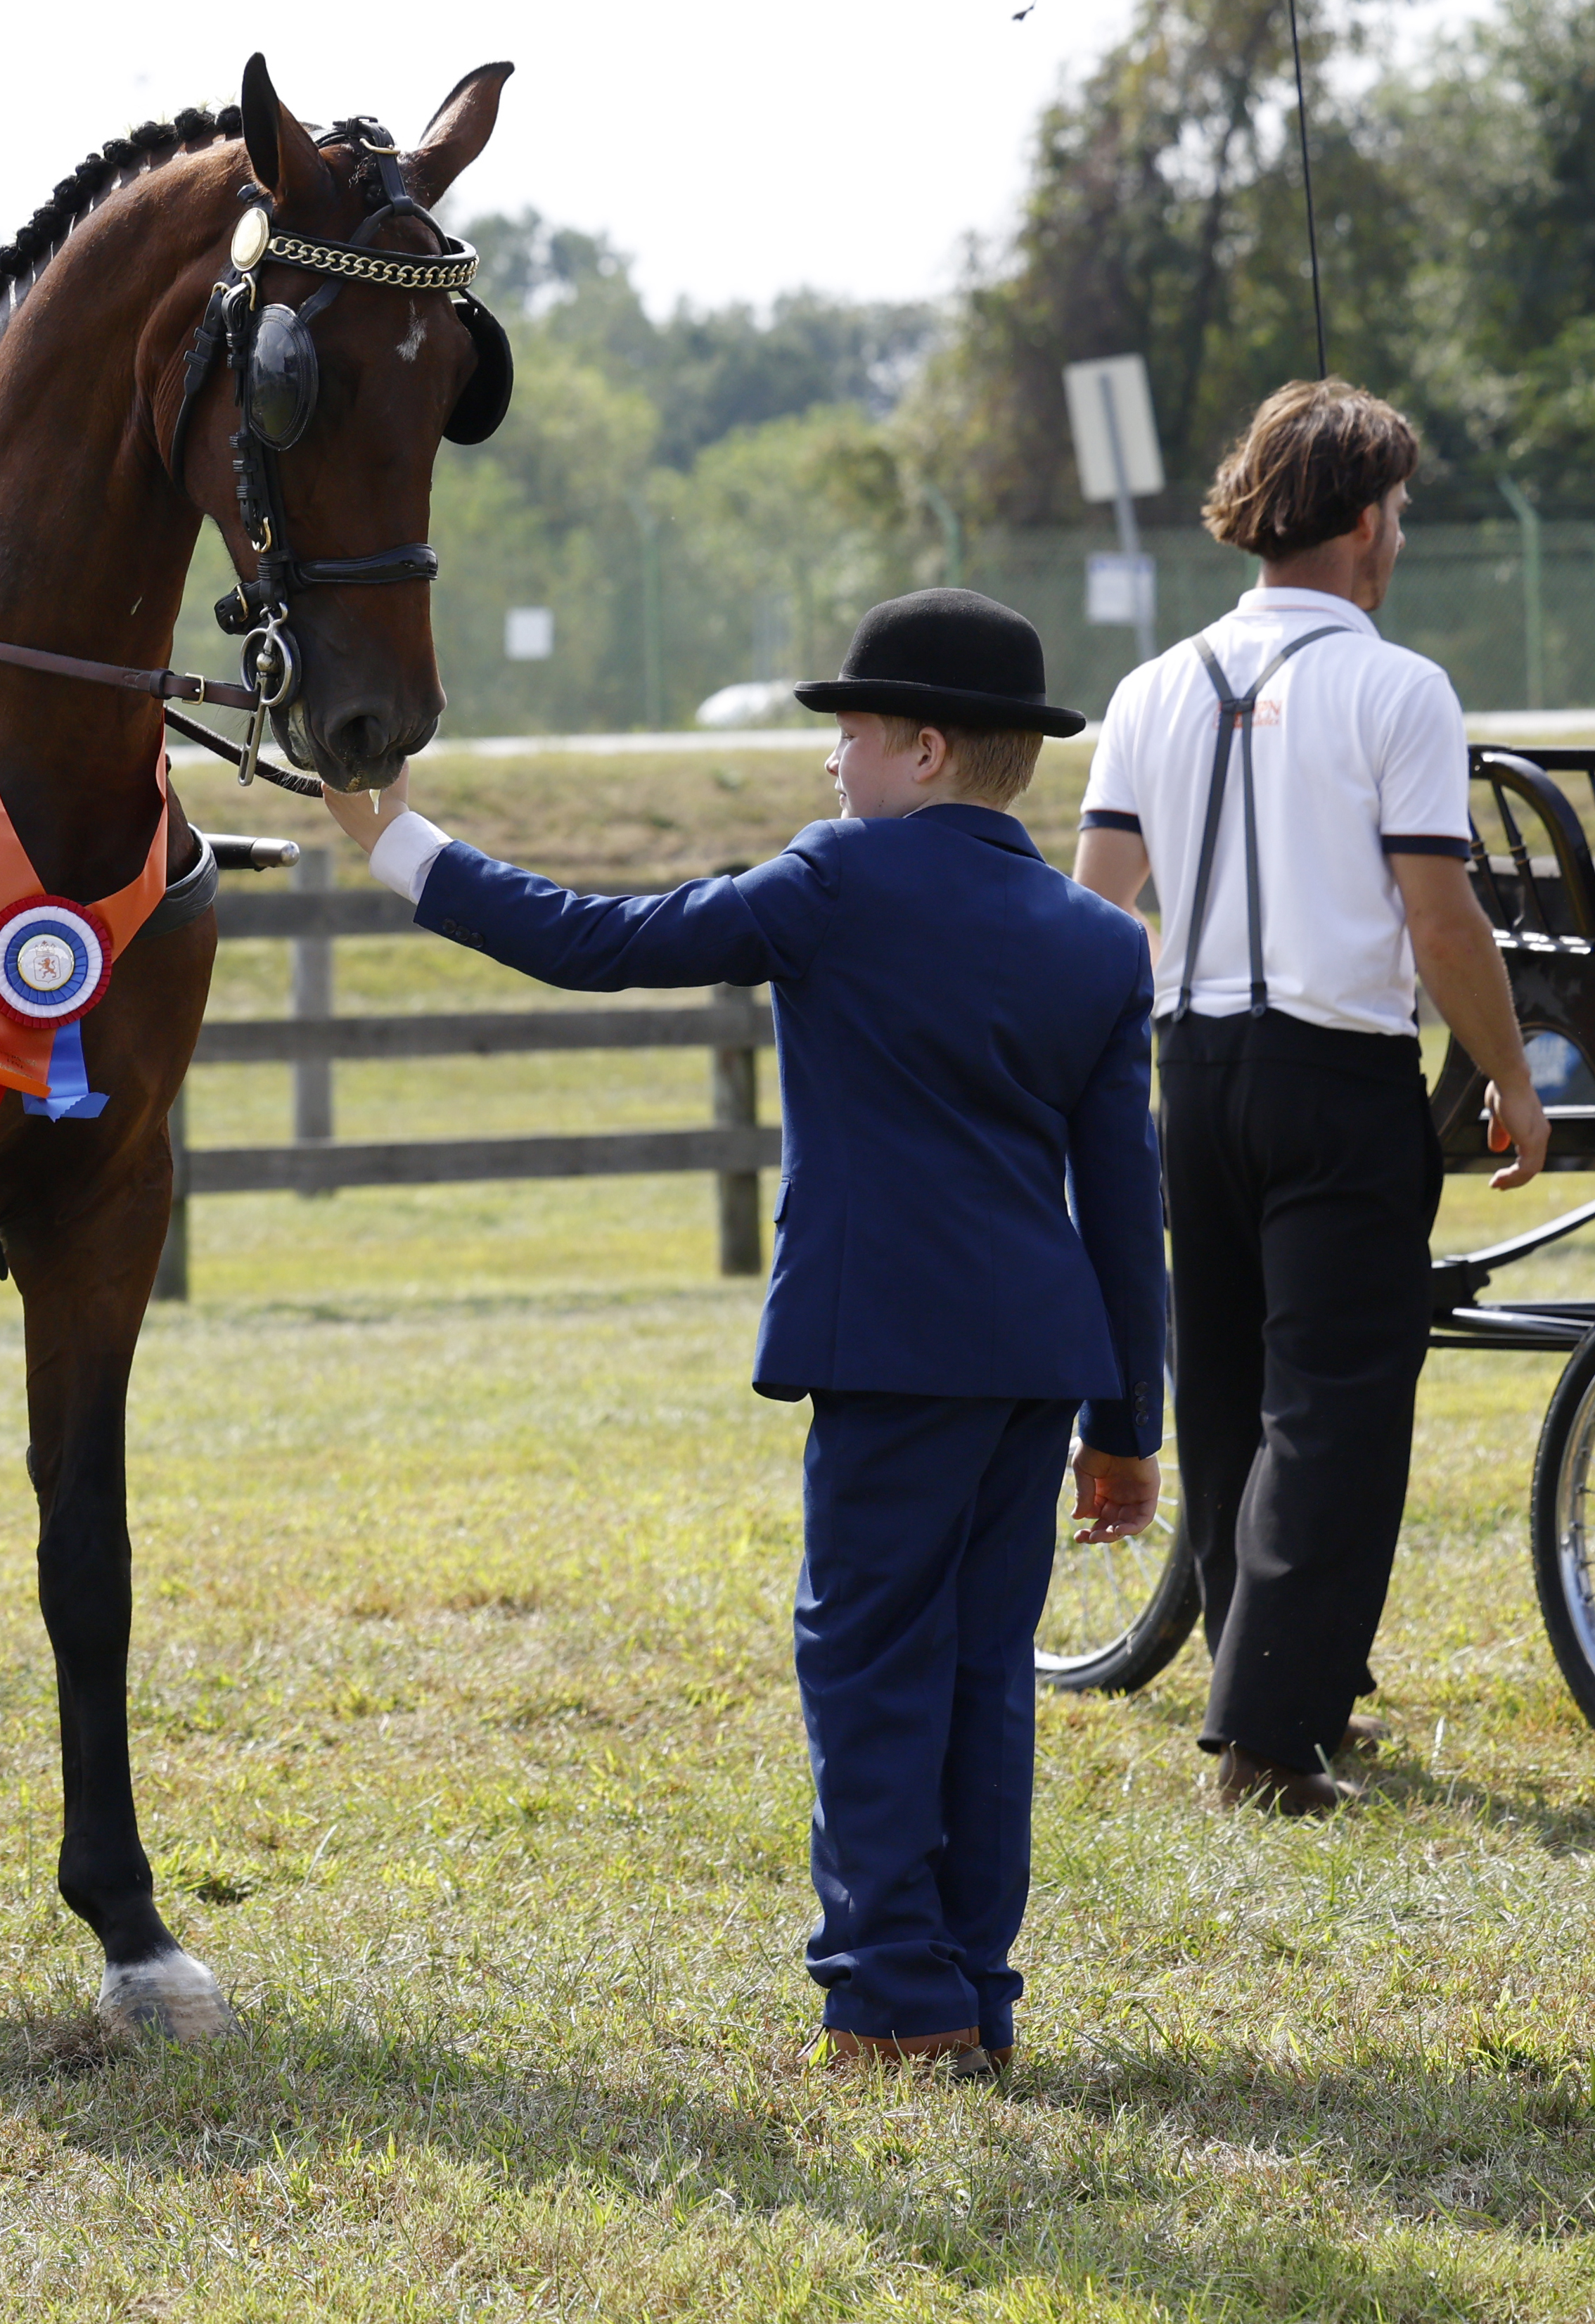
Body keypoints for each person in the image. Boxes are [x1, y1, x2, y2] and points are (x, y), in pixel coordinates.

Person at [326, 589, 1165, 2079]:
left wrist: (399, 843)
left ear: (922, 748)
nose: (832, 762)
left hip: (887, 1348)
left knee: (867, 1666)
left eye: (852, 734)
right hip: (1040, 1361)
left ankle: (893, 2000)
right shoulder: (1100, 941)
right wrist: (1129, 1430)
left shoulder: (838, 879)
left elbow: (598, 941)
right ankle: (971, 1990)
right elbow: (1122, 1202)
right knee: (982, 1676)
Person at [1073, 378, 1546, 1816]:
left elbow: (1096, 906)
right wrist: (1511, 1074)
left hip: (1195, 1072)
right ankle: (1270, 1747)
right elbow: (1442, 922)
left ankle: (1274, 1689)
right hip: (1337, 1074)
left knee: (1228, 1393)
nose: (1398, 532)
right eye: (1395, 508)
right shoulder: (1399, 688)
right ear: (1357, 522)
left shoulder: (1152, 686)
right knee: (1336, 1403)